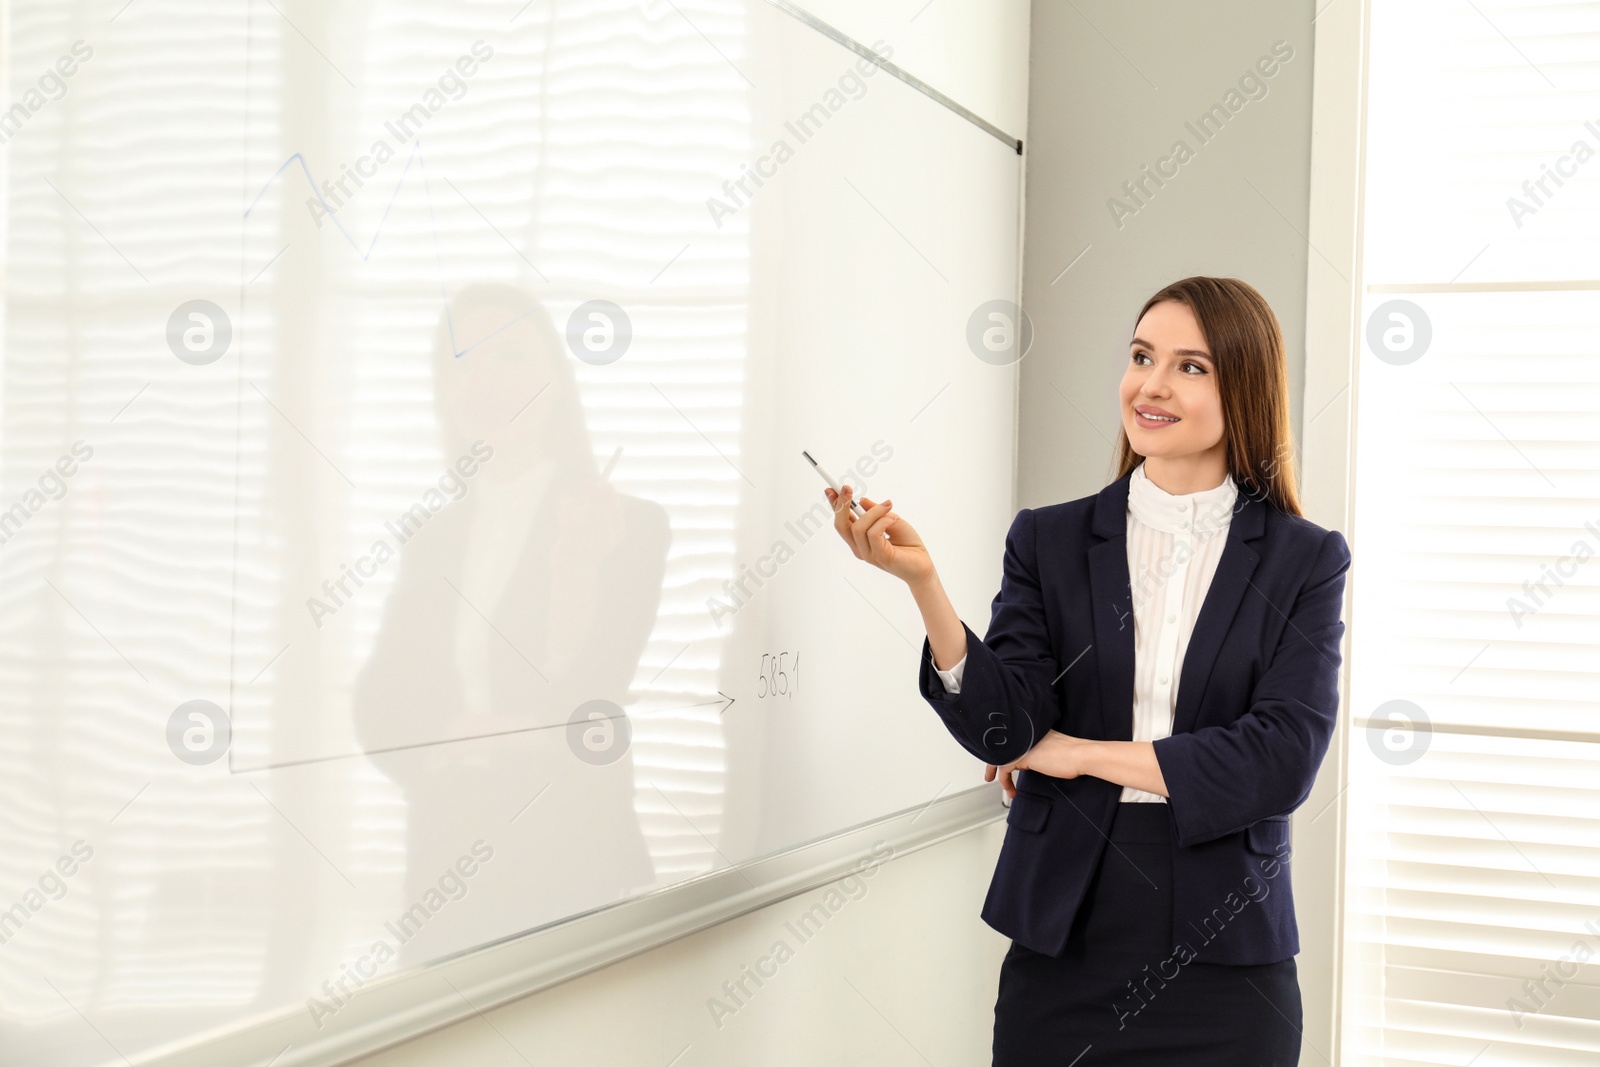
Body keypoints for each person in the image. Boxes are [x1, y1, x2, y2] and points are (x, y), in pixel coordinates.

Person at [826, 276, 1351, 1065]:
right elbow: (1006, 728)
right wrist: (925, 584)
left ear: (1243, 387)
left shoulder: (1303, 559)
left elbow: (1279, 762)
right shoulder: (1050, 540)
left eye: (1190, 366)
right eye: (1142, 356)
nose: (1152, 383)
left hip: (1227, 956)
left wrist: (1074, 754)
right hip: (1066, 938)